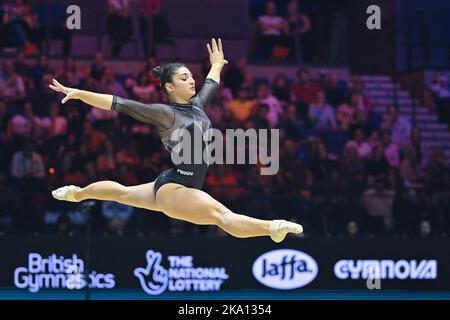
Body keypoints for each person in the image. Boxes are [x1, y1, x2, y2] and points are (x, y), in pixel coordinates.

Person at [50, 38, 303, 243]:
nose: (191, 80)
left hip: (173, 182)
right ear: (169, 87)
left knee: (122, 193)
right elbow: (121, 104)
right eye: (183, 78)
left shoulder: (197, 107)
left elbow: (211, 84)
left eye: (191, 76)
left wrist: (217, 64)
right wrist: (81, 93)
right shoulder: (165, 114)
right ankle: (273, 227)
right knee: (223, 217)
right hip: (177, 188)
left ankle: (77, 194)